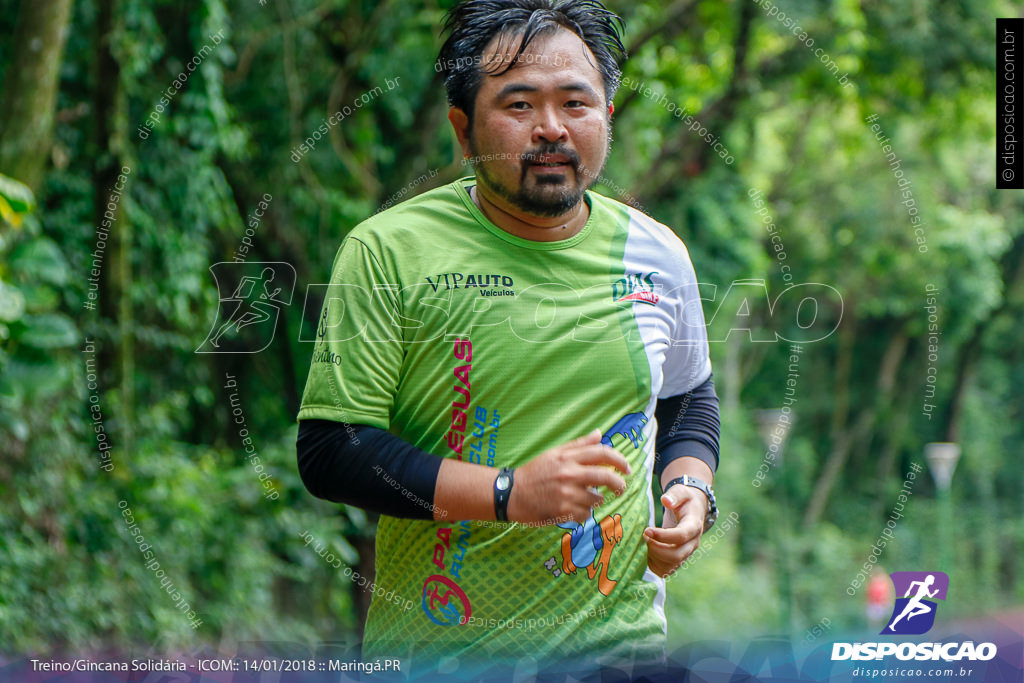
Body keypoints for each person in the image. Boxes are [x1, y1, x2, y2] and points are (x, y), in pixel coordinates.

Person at [296, 0, 721, 676]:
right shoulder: (389, 251)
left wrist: (692, 489)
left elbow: (688, 396)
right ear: (463, 132)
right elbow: (334, 450)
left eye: (575, 103)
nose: (551, 128)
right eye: (518, 106)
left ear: (605, 117)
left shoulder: (656, 254)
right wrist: (507, 492)